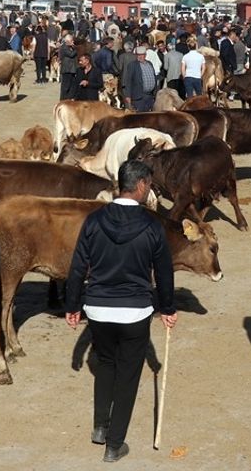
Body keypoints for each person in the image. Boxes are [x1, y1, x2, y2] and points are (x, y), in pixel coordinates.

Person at [64, 160, 177, 465]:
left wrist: (72, 305)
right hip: (134, 312)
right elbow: (164, 272)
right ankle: (115, 444)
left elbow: (77, 266)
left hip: (98, 309)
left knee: (106, 365)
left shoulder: (94, 220)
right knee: (128, 375)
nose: (150, 190)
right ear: (140, 185)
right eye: (149, 185)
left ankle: (101, 427)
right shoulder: (153, 225)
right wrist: (167, 307)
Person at [121, 46, 157, 112]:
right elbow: (128, 81)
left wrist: (155, 92)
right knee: (140, 118)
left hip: (150, 96)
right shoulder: (132, 65)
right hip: (139, 97)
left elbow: (154, 76)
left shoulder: (149, 64)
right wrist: (128, 96)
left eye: (141, 54)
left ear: (145, 55)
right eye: (138, 55)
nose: (140, 56)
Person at [58, 34, 79, 100]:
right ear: (67, 41)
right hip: (67, 69)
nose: (73, 42)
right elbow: (71, 54)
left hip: (71, 69)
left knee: (71, 85)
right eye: (71, 40)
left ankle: (69, 98)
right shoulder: (64, 47)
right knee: (65, 86)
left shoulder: (70, 47)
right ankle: (63, 99)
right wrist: (76, 49)